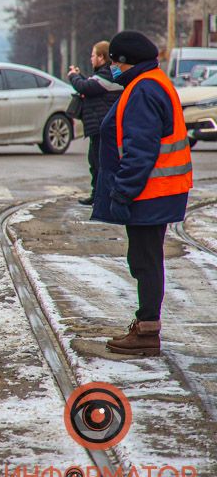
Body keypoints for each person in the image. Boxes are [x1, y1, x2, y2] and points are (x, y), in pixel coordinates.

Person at [92, 30, 192, 356]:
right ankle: (146, 326)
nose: (113, 68)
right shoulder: (151, 81)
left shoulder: (143, 89)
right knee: (146, 258)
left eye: (115, 62)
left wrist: (121, 193)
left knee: (145, 260)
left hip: (151, 191)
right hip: (158, 189)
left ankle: (147, 330)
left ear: (124, 61)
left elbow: (139, 150)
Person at [67, 41, 123, 206]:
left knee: (100, 163)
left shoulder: (108, 74)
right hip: (101, 126)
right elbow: (93, 85)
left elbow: (85, 87)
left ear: (101, 57)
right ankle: (98, 194)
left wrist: (73, 76)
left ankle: (102, 197)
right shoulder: (109, 74)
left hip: (102, 126)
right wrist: (80, 76)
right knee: (96, 162)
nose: (91, 59)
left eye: (93, 55)